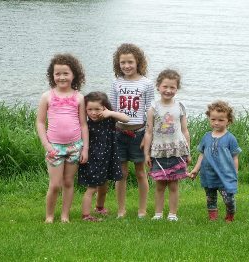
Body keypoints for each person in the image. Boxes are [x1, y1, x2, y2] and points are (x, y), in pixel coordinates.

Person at [36, 53, 89, 223]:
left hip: (75, 146)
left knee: (68, 183)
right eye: (57, 73)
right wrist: (47, 145)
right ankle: (50, 216)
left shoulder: (79, 97)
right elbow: (40, 123)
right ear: (52, 76)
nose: (61, 77)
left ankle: (65, 216)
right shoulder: (47, 96)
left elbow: (83, 125)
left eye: (66, 73)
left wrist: (85, 148)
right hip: (54, 147)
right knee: (55, 184)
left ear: (74, 75)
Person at [109, 43, 155, 218]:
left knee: (140, 172)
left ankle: (142, 210)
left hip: (139, 134)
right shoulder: (116, 83)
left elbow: (149, 111)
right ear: (118, 64)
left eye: (130, 62)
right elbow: (112, 108)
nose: (126, 66)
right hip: (119, 133)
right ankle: (121, 210)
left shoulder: (147, 84)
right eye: (122, 62)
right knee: (121, 174)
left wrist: (148, 137)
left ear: (138, 62)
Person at [144, 69, 191, 221]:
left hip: (177, 151)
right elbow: (149, 132)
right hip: (158, 152)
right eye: (165, 86)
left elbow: (185, 130)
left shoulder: (180, 106)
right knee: (159, 185)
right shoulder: (153, 108)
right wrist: (146, 153)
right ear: (158, 87)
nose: (168, 90)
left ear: (177, 89)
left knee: (173, 185)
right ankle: (158, 214)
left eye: (172, 87)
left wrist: (188, 153)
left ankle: (172, 214)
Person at [79, 91, 129, 221]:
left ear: (104, 107)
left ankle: (99, 207)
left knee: (104, 185)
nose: (93, 112)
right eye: (89, 109)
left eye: (97, 109)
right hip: (93, 160)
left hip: (107, 158)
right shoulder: (86, 124)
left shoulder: (109, 118)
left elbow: (126, 118)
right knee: (92, 187)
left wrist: (110, 113)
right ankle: (86, 215)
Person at [188, 100, 242, 223]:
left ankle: (230, 216)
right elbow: (202, 154)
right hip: (208, 175)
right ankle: (213, 218)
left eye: (221, 120)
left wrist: (235, 172)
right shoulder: (206, 137)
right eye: (213, 119)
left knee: (228, 198)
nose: (216, 123)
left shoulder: (230, 138)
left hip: (225, 175)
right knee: (210, 198)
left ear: (228, 120)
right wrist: (196, 169)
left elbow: (235, 157)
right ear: (209, 118)